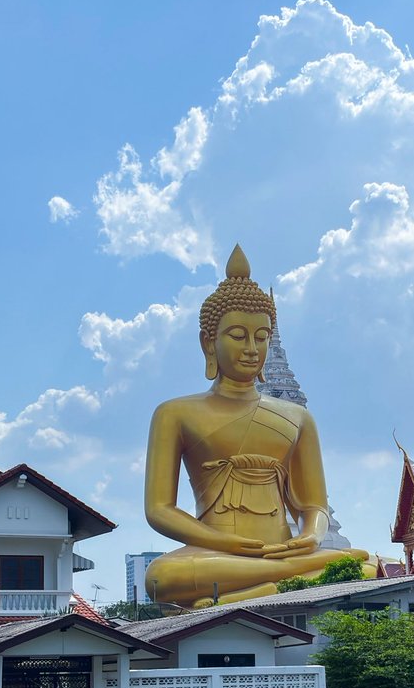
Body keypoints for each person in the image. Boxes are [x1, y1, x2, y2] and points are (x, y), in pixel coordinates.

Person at [144, 244, 372, 607]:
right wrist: (223, 542)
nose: (252, 348)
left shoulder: (298, 417)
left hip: (283, 551)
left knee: (369, 566)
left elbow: (314, 506)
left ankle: (251, 593)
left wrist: (311, 538)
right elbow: (159, 510)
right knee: (161, 577)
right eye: (238, 336)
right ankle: (286, 582)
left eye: (262, 337)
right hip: (218, 553)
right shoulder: (175, 413)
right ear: (208, 343)